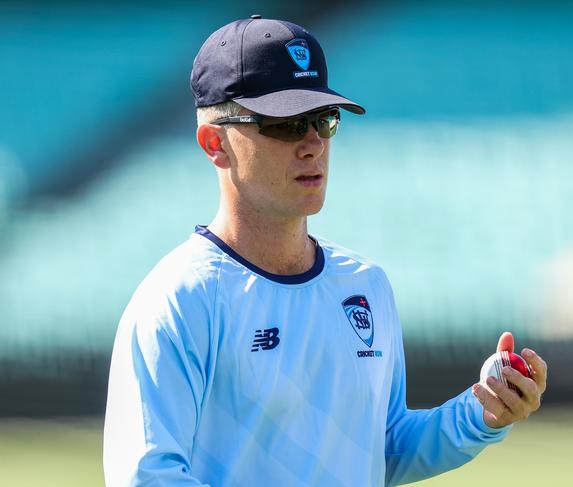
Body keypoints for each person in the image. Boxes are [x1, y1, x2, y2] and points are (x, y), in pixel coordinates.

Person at [103, 15, 547, 487]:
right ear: (216, 144)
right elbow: (148, 477)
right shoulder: (180, 298)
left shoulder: (365, 283)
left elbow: (381, 447)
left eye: (323, 120)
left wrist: (482, 411)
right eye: (286, 124)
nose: (313, 143)